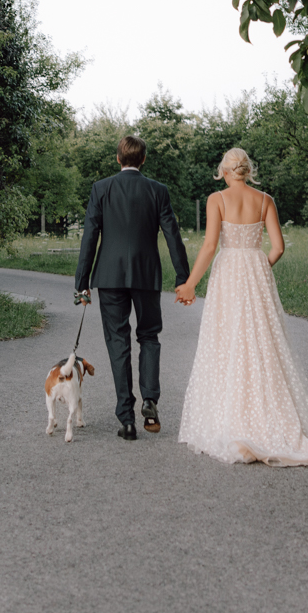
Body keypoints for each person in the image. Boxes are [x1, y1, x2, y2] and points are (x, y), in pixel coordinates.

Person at [175, 147, 308, 466]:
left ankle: (233, 418)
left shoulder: (217, 199)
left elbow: (211, 245)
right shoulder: (265, 200)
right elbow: (278, 247)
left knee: (227, 341)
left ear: (224, 171)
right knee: (262, 342)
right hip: (256, 274)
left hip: (228, 275)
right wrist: (259, 269)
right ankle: (269, 416)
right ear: (247, 170)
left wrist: (190, 284)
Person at [74, 133, 190, 440]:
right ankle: (150, 398)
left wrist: (81, 284)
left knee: (118, 342)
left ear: (118, 159)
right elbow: (172, 235)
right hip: (146, 275)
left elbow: (90, 237)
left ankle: (126, 419)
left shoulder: (101, 188)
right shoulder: (158, 190)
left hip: (109, 277)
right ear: (143, 159)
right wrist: (183, 278)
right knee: (149, 336)